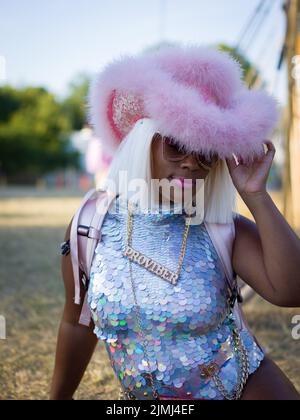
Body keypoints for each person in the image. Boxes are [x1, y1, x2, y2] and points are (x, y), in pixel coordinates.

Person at [50, 45, 300, 400]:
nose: (191, 163)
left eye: (206, 152)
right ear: (143, 141)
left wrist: (255, 194)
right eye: (177, 145)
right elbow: (76, 323)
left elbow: (292, 291)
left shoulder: (222, 229)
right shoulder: (91, 224)